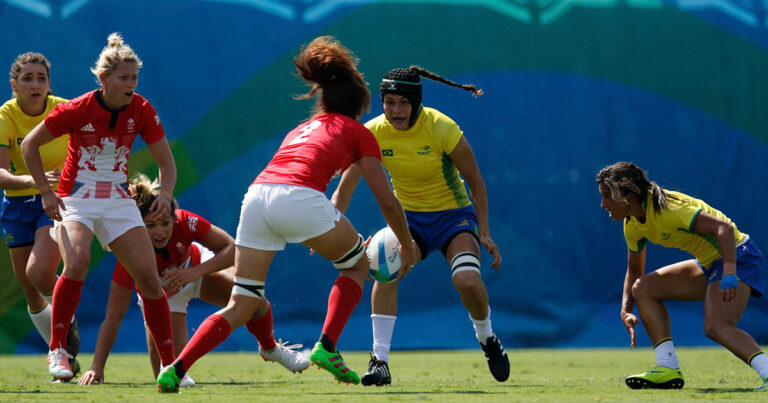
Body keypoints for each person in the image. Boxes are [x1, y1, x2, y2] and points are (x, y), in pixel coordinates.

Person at [156, 35, 417, 393]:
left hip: (257, 196)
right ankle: (327, 347)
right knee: (357, 265)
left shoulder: (301, 129)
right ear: (358, 108)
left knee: (243, 301)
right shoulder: (358, 132)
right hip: (299, 200)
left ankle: (174, 368)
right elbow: (386, 200)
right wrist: (406, 243)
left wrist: (321, 232)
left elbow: (303, 186)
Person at [332, 66, 509, 386]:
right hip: (408, 221)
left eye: (403, 102)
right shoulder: (372, 132)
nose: (396, 110)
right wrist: (326, 228)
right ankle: (379, 360)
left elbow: (476, 182)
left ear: (416, 102)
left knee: (468, 282)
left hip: (454, 218)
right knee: (383, 267)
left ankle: (487, 338)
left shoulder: (442, 128)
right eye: (389, 102)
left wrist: (483, 231)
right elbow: (347, 185)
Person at [21, 33, 177, 383]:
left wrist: (165, 193)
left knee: (151, 281)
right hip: (77, 198)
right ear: (104, 79)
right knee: (76, 262)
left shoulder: (142, 109)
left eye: (134, 78)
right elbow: (30, 146)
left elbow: (166, 162)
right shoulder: (77, 109)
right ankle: (57, 349)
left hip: (118, 200)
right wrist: (46, 192)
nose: (131, 84)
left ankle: (171, 367)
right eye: (124, 77)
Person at [78, 175, 309, 386]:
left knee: (253, 298)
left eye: (165, 223)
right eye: (150, 225)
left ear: (173, 218)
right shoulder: (130, 255)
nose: (160, 232)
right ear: (138, 226)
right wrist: (96, 367)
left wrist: (193, 273)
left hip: (197, 270)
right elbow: (113, 315)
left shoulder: (184, 221)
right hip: (164, 298)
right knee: (169, 376)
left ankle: (270, 348)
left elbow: (231, 249)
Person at [596, 161, 768, 391]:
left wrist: (729, 271)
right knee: (644, 287)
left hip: (737, 256)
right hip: (709, 263)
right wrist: (626, 309)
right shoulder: (632, 225)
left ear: (626, 195)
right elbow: (635, 271)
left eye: (607, 196)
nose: (602, 204)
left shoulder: (668, 210)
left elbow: (723, 229)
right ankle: (667, 368)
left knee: (717, 326)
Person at [0, 52, 81, 378]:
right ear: (14, 84)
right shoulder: (5, 116)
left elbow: (90, 146)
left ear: (49, 83)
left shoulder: (64, 109)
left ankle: (63, 335)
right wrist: (35, 180)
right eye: (27, 78)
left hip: (57, 202)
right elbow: (1, 174)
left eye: (41, 78)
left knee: (39, 272)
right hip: (16, 205)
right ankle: (63, 354)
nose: (35, 84)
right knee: (30, 289)